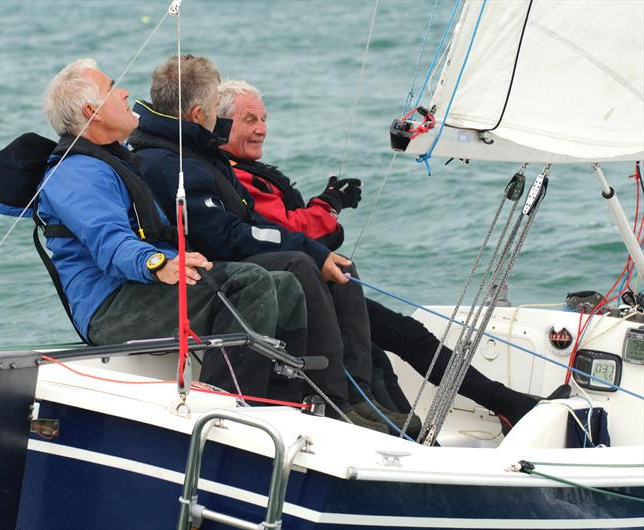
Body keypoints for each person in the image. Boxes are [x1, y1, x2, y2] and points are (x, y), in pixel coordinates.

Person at [216, 79, 562, 428]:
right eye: (249, 120)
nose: (261, 129)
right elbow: (288, 231)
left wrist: (327, 208)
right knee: (391, 345)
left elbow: (296, 230)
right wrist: (328, 206)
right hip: (294, 294)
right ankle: (476, 414)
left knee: (402, 339)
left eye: (263, 118)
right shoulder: (234, 177)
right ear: (221, 123)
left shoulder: (245, 172)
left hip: (315, 283)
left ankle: (497, 406)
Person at [129, 55, 416, 434]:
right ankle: (333, 401)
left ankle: (358, 396)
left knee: (336, 266)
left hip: (230, 253)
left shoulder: (197, 153)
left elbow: (251, 222)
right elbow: (226, 236)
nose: (226, 119)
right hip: (209, 269)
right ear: (199, 114)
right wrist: (307, 248)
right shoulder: (170, 163)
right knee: (300, 264)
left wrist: (315, 247)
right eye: (219, 108)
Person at [36, 58, 310, 402]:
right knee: (250, 283)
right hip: (111, 307)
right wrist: (158, 264)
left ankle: (285, 399)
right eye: (111, 88)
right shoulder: (76, 174)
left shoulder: (112, 159)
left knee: (285, 286)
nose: (124, 93)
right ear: (93, 111)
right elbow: (111, 242)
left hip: (140, 288)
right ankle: (224, 407)